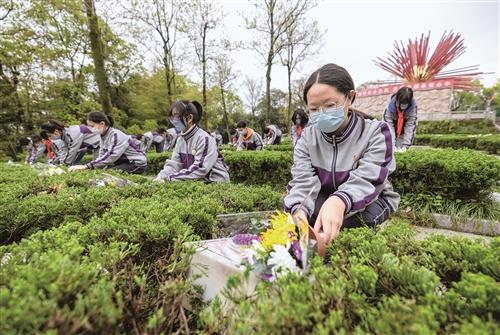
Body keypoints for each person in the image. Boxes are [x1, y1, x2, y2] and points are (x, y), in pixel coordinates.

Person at [284, 63, 400, 245]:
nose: (321, 114)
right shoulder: (306, 138)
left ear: (350, 97)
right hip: (325, 196)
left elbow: (368, 178)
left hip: (371, 198)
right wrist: (298, 210)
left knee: (351, 222)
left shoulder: (376, 133)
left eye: (330, 106)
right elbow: (302, 181)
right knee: (302, 214)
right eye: (314, 109)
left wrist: (340, 200)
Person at [155, 100, 230, 183]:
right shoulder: (180, 140)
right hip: (199, 181)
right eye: (172, 117)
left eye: (176, 116)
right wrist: (160, 177)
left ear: (189, 118)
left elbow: (200, 168)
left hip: (215, 182)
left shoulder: (204, 138)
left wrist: (170, 178)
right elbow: (174, 165)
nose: (173, 120)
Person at [68, 112, 147, 173]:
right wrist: (93, 168)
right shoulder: (102, 136)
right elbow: (102, 154)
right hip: (122, 163)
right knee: (103, 173)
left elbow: (110, 156)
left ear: (102, 124)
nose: (89, 128)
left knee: (109, 174)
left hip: (135, 163)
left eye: (92, 126)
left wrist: (87, 166)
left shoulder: (116, 135)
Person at [383, 86, 418, 152]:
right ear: (397, 99)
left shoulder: (412, 108)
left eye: (406, 104)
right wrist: (391, 144)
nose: (403, 106)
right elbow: (388, 127)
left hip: (402, 132)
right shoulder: (389, 107)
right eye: (401, 103)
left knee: (401, 150)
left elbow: (410, 126)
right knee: (389, 151)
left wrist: (406, 145)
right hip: (392, 131)